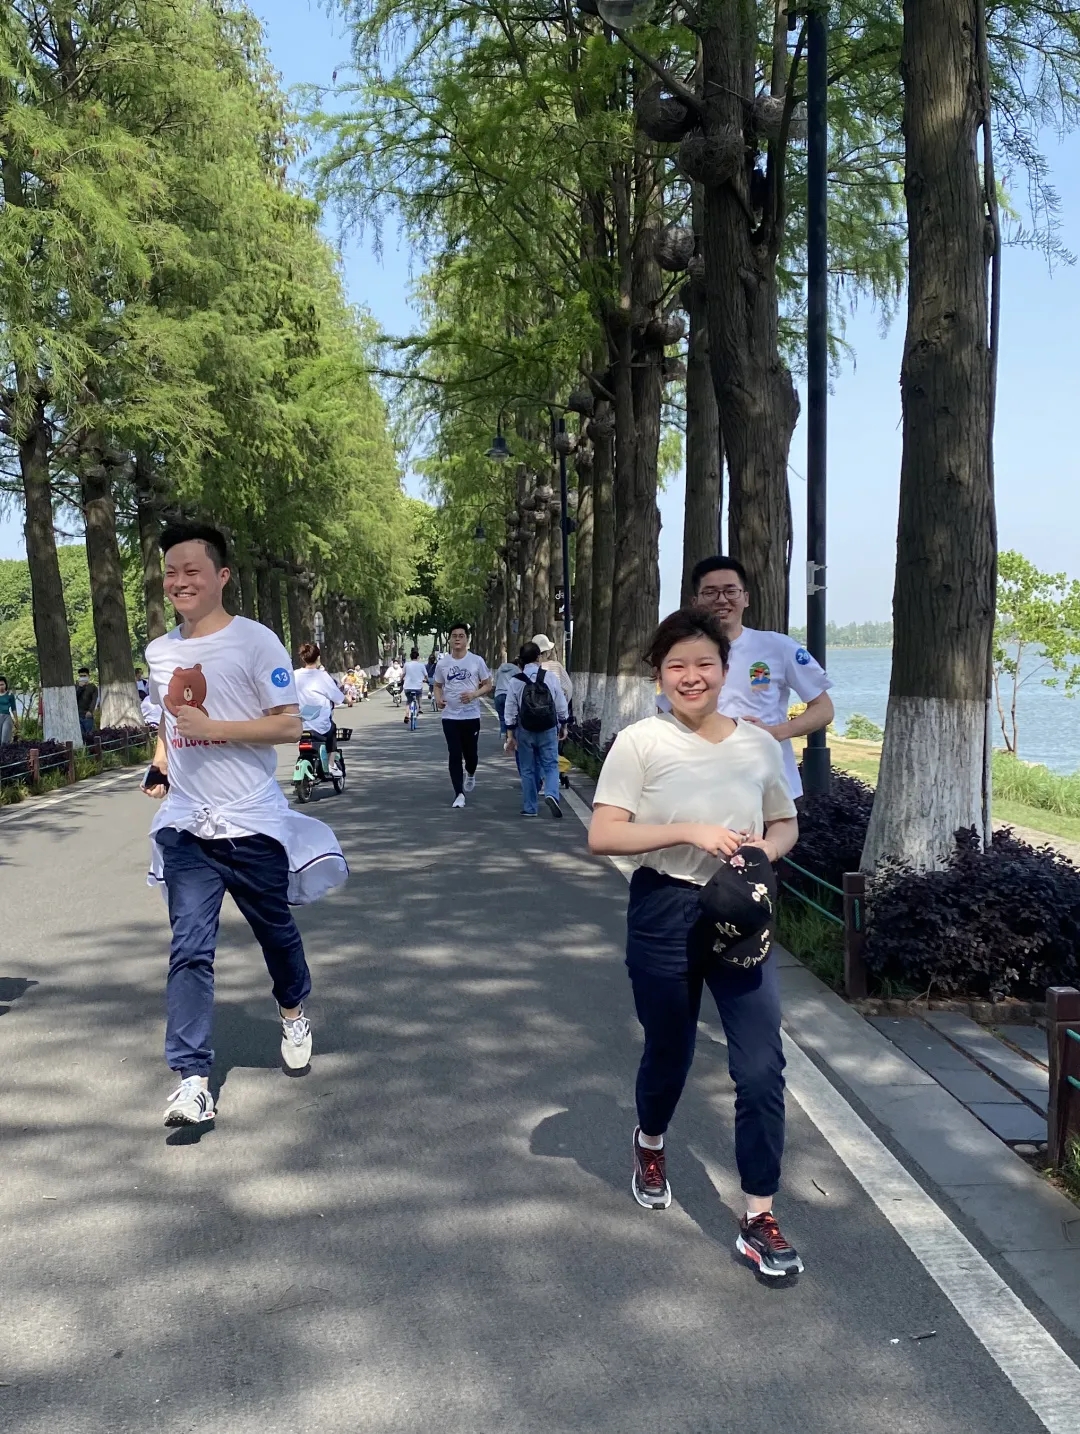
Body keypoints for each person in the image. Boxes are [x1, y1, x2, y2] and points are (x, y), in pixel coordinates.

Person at [589, 606, 803, 1279]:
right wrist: (688, 831)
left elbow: (784, 822)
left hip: (741, 910)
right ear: (659, 673)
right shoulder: (640, 742)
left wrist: (762, 854)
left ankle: (759, 1215)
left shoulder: (757, 745)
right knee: (670, 1051)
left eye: (704, 664)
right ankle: (651, 1142)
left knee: (761, 1067)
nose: (691, 676)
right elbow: (604, 834)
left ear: (724, 669)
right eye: (676, 665)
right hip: (665, 908)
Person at [142, 522, 348, 1128]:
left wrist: (216, 730)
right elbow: (168, 717)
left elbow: (289, 724)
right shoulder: (159, 652)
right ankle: (192, 1080)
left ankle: (293, 1010)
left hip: (251, 820)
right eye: (171, 572)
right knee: (189, 948)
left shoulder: (257, 641)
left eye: (192, 571)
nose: (179, 582)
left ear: (222, 576)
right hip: (187, 825)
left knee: (275, 933)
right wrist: (162, 762)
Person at [674, 556, 834, 800]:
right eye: (710, 592)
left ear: (746, 598)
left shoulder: (778, 647)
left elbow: (823, 708)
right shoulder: (680, 653)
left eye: (730, 591)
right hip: (702, 789)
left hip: (770, 789)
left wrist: (775, 732)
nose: (721, 600)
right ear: (695, 602)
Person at [503, 642, 568, 817]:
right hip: (548, 728)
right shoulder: (550, 677)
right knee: (551, 765)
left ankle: (530, 808)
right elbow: (560, 704)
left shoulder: (516, 681)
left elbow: (510, 710)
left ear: (521, 660)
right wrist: (563, 724)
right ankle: (551, 794)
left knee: (527, 769)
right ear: (538, 657)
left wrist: (510, 735)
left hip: (525, 730)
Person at [433, 623, 492, 808]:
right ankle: (459, 793)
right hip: (450, 716)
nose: (457, 639)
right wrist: (438, 699)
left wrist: (474, 695)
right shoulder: (443, 663)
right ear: (450, 639)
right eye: (454, 636)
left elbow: (488, 684)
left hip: (471, 715)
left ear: (467, 639)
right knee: (454, 753)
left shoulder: (476, 661)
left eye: (461, 635)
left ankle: (471, 773)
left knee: (471, 755)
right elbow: (437, 685)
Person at [293, 643, 345, 773]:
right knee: (332, 729)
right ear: (318, 657)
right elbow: (337, 696)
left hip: (300, 724)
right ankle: (331, 765)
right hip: (320, 725)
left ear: (302, 658)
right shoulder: (322, 676)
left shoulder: (294, 675)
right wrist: (348, 699)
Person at [531, 634, 573, 709]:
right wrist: (563, 705)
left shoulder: (527, 667)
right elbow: (568, 688)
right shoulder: (556, 666)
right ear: (547, 652)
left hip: (531, 709)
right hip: (553, 708)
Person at [492, 657, 521, 738]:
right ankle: (511, 737)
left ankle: (504, 735)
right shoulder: (516, 669)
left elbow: (495, 682)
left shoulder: (500, 668)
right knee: (512, 718)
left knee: (502, 718)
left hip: (498, 695)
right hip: (509, 696)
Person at [402, 648, 428, 724]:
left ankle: (407, 715)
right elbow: (426, 675)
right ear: (418, 657)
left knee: (409, 701)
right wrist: (426, 680)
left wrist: (401, 680)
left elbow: (403, 674)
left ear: (410, 657)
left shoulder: (406, 664)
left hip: (407, 687)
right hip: (417, 687)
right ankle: (420, 708)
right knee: (419, 695)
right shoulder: (421, 665)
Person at [75, 667, 98, 739]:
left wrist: (90, 711)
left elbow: (94, 700)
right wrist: (80, 688)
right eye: (81, 676)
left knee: (89, 736)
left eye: (84, 676)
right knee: (80, 736)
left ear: (88, 676)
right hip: (77, 715)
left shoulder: (92, 687)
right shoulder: (76, 687)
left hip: (87, 715)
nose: (82, 677)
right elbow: (74, 699)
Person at [0, 676, 17, 746]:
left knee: (5, 739)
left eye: (2, 684)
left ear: (5, 685)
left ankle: (5, 751)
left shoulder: (10, 695)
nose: (1, 686)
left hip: (7, 717)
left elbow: (13, 708)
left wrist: (16, 721)